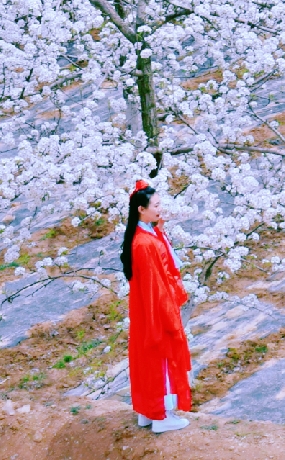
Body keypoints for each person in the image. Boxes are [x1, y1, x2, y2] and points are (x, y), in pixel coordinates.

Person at [122, 181, 192, 434]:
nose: (161, 208)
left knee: (146, 358)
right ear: (142, 209)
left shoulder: (142, 236)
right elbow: (157, 285)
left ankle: (148, 411)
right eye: (157, 205)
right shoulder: (144, 244)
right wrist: (168, 315)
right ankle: (162, 415)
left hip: (145, 309)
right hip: (156, 309)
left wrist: (160, 228)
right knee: (160, 358)